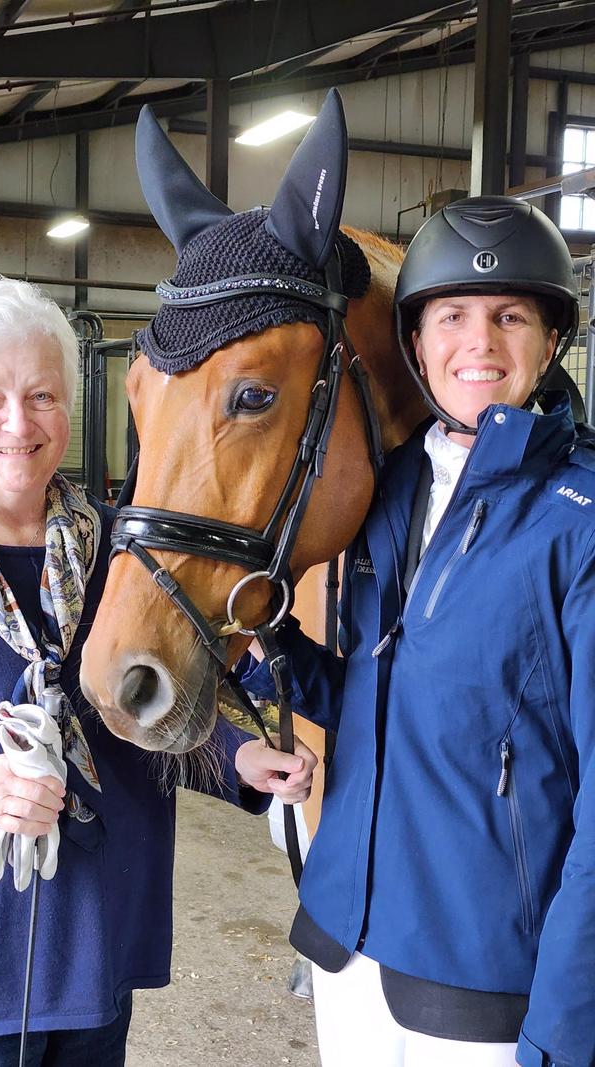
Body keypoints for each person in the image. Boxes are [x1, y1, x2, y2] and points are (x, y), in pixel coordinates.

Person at [0, 276, 315, 1067]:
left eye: (42, 394)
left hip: (92, 954)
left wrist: (236, 755)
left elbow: (142, 706)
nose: (18, 422)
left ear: (69, 409)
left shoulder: (123, 555)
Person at [243, 196, 593, 1067]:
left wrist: (566, 1021)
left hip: (483, 979)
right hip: (347, 942)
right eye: (452, 316)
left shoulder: (581, 519)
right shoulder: (389, 487)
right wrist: (269, 650)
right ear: (417, 342)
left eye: (509, 315)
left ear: (550, 341)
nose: (478, 342)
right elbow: (375, 694)